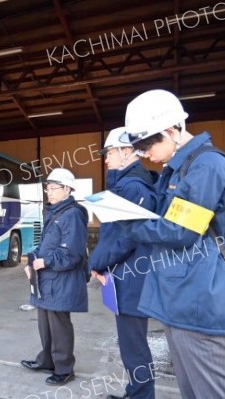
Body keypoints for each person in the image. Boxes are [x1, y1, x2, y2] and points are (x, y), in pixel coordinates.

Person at [118, 90, 225, 399]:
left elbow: (180, 231)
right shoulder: (182, 167)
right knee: (192, 390)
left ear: (172, 131)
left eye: (147, 145)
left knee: (209, 392)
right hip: (181, 296)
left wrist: (128, 222)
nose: (144, 154)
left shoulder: (207, 167)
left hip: (200, 300)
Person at [89, 127, 158, 399]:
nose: (106, 159)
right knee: (132, 344)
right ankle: (136, 393)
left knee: (134, 346)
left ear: (126, 151)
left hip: (132, 277)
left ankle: (141, 395)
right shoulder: (131, 184)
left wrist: (96, 262)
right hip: (130, 274)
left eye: (109, 153)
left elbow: (123, 237)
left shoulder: (132, 187)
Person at [20, 168, 89, 386]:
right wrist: (32, 262)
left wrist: (47, 261)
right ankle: (47, 360)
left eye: (53, 188)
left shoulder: (73, 214)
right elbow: (45, 244)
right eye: (47, 188)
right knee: (45, 323)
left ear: (67, 189)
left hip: (61, 279)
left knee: (59, 325)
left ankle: (65, 368)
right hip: (46, 279)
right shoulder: (55, 213)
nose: (48, 192)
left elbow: (74, 253)